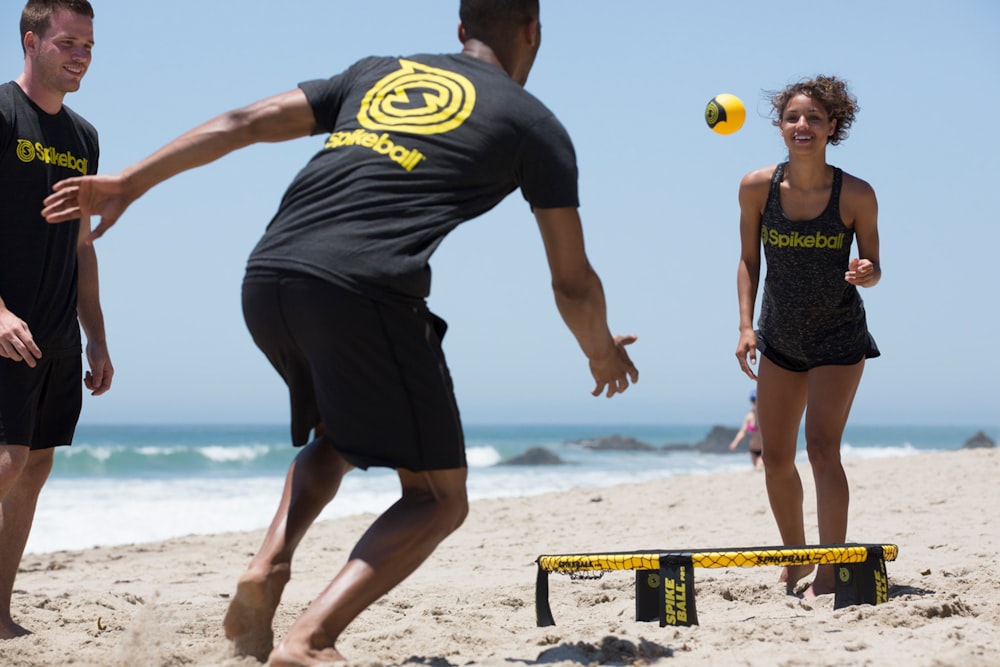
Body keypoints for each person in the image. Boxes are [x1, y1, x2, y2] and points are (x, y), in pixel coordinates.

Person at [43, 1, 638, 663]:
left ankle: (266, 566)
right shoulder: (535, 125)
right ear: (533, 32)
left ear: (461, 30)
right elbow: (573, 281)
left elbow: (245, 122)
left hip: (269, 274)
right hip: (362, 289)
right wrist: (601, 351)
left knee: (340, 437)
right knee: (439, 497)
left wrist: (131, 179)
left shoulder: (378, 72)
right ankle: (311, 638)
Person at [733, 75, 880, 600]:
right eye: (794, 117)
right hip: (778, 336)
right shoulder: (756, 187)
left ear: (832, 128)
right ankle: (795, 559)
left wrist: (867, 272)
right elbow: (749, 261)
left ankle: (831, 566)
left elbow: (875, 266)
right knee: (775, 456)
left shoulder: (856, 193)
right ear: (780, 126)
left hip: (838, 336)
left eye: (815, 118)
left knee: (821, 448)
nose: (803, 126)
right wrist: (747, 327)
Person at [0, 0, 113, 639]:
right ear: (31, 39)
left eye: (88, 46)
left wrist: (95, 334)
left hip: (56, 332)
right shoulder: (0, 113)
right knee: (9, 459)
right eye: (68, 42)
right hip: (6, 323)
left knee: (35, 465)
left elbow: (81, 242)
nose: (80, 55)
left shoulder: (83, 137)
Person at [728, 388, 763, 470]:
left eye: (756, 399)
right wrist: (735, 443)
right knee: (756, 470)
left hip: (764, 450)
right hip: (753, 449)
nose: (754, 402)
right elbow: (743, 431)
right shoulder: (749, 416)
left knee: (759, 468)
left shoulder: (765, 415)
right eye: (753, 400)